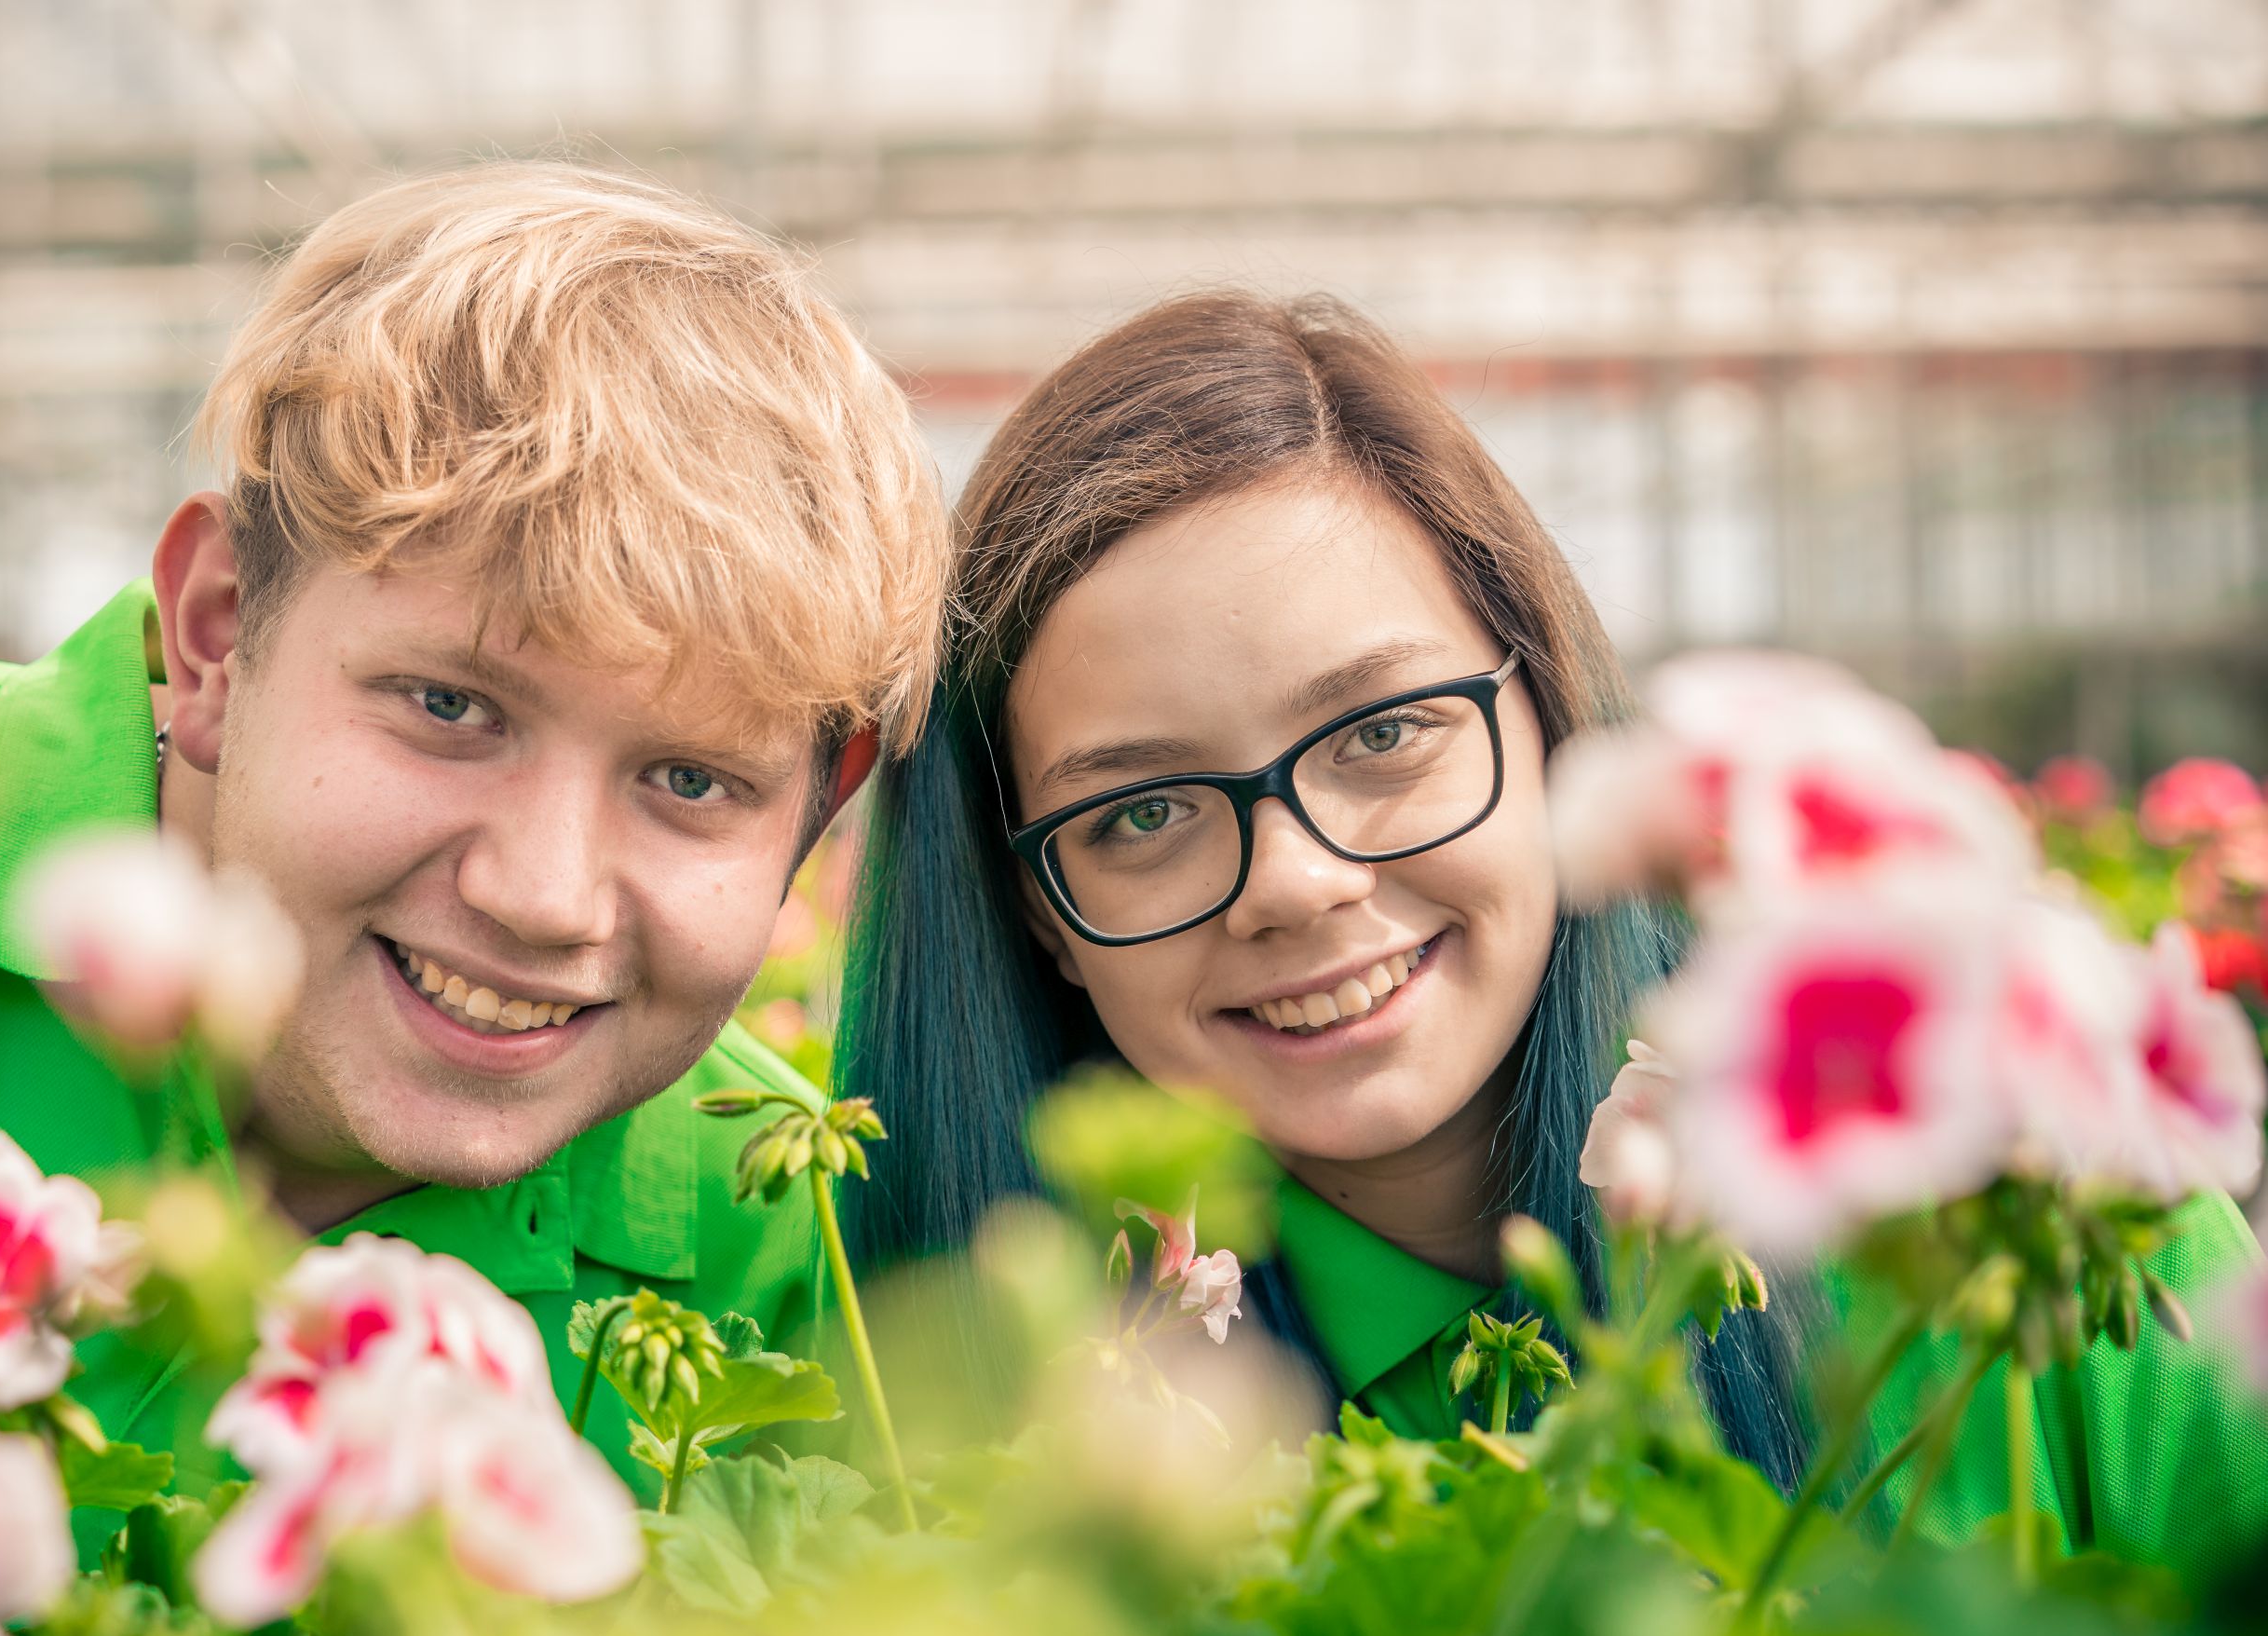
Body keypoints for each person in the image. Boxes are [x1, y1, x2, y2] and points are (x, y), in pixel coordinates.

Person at [0, 163, 947, 1512]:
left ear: (822, 808)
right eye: (450, 705)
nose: (542, 897)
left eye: (692, 782)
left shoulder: (780, 1224)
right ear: (214, 636)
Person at [837, 290, 2268, 1569]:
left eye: (1386, 730)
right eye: (1139, 814)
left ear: (1549, 718)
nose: (1296, 882)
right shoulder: (984, 1417)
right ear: (1037, 910)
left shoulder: (2043, 1211)